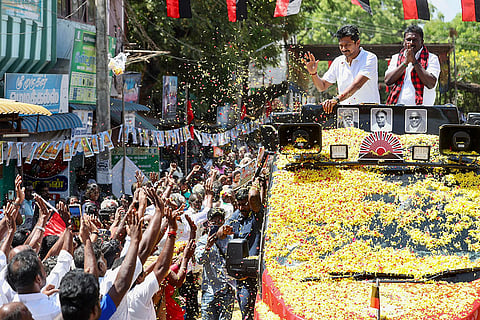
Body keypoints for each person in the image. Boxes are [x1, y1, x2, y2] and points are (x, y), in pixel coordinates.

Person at [304, 25, 380, 113]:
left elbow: (357, 84)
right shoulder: (338, 61)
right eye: (341, 45)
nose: (344, 49)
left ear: (357, 43)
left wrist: (336, 100)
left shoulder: (369, 58)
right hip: (346, 113)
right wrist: (313, 73)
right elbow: (322, 86)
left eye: (348, 45)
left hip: (368, 112)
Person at [195, 207, 235, 320]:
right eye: (214, 221)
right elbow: (199, 260)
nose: (217, 224)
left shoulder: (230, 239)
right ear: (208, 223)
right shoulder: (203, 241)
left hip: (227, 289)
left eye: (220, 221)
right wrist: (207, 247)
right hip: (210, 290)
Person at [385, 25, 440, 106]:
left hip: (422, 110)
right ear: (404, 41)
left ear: (422, 41)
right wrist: (405, 63)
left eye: (415, 40)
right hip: (398, 109)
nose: (411, 43)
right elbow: (388, 81)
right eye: (408, 39)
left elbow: (430, 84)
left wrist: (414, 61)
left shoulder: (432, 58)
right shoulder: (396, 57)